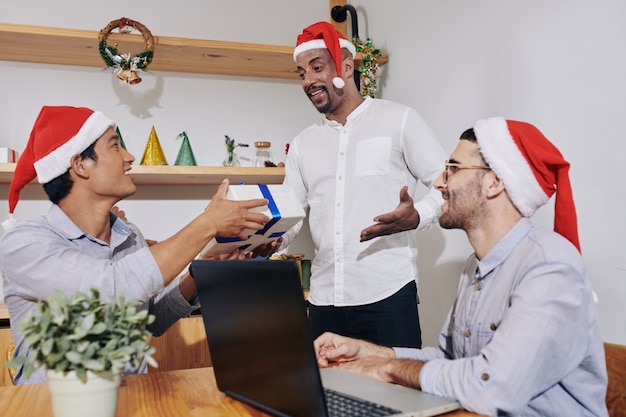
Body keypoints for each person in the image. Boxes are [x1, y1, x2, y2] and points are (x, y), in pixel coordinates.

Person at [313, 117, 609, 416]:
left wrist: (387, 369)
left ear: (494, 182)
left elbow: (494, 386)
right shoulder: (474, 266)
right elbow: (450, 358)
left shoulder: (549, 266)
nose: (440, 182)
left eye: (453, 168)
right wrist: (367, 352)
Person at [0, 105, 270, 385]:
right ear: (80, 164)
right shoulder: (25, 243)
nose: (129, 157)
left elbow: (149, 320)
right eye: (115, 146)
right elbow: (110, 290)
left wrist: (198, 274)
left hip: (133, 400)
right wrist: (207, 224)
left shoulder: (129, 236)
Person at [279, 21, 447, 348]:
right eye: (301, 73)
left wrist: (419, 216)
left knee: (397, 398)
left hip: (388, 296)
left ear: (345, 66)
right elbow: (290, 214)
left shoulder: (399, 120)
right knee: (327, 397)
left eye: (317, 67)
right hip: (324, 302)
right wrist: (268, 241)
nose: (309, 81)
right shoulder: (303, 144)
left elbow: (449, 183)